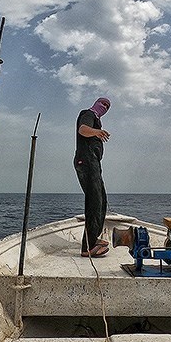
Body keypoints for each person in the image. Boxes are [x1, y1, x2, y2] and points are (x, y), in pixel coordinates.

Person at [74, 96, 111, 257]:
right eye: (103, 103)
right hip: (86, 161)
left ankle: (93, 239)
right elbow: (82, 129)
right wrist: (96, 131)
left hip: (93, 163)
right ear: (96, 103)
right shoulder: (88, 114)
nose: (105, 106)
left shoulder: (96, 120)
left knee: (101, 200)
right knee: (94, 201)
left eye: (107, 106)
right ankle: (87, 247)